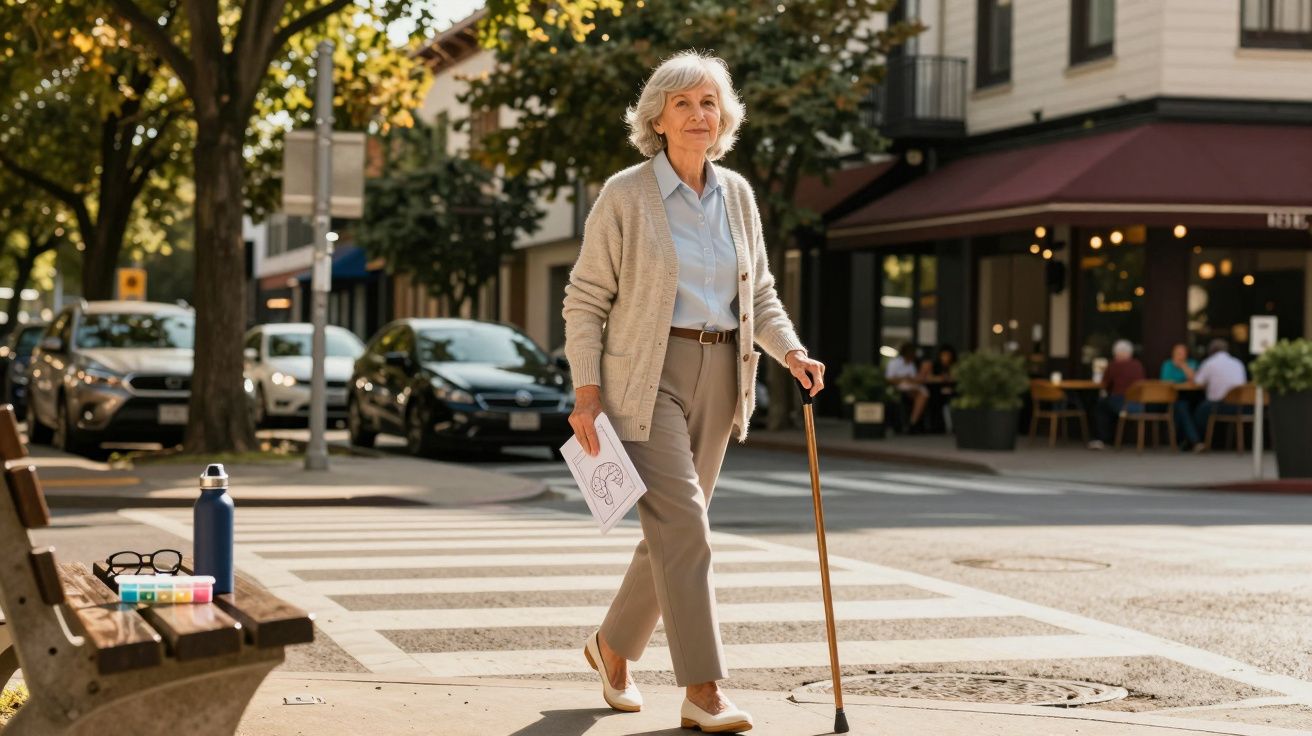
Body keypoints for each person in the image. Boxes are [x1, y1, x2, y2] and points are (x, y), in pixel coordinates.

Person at [561, 51, 825, 733]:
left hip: (722, 376)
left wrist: (790, 350)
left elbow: (758, 291)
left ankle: (611, 648)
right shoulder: (625, 194)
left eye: (710, 102)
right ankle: (703, 689)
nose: (698, 114)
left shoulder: (736, 194)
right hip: (644, 378)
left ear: (724, 117)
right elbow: (586, 298)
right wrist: (586, 393)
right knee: (686, 527)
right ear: (657, 116)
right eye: (683, 102)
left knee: (670, 533)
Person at [1175, 338, 1247, 452]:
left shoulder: (1210, 363)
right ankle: (1193, 442)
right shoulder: (1238, 363)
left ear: (1211, 352)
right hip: (1241, 407)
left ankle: (1194, 441)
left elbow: (1197, 382)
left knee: (1189, 409)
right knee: (1193, 407)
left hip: (1218, 405)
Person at [1088, 339, 1145, 449]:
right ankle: (1116, 438)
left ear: (1116, 353)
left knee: (1101, 405)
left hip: (1122, 403)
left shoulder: (1114, 365)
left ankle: (1103, 439)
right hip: (1140, 404)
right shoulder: (1138, 365)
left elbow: (1105, 384)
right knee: (1107, 405)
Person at [886, 343, 927, 431]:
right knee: (920, 394)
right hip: (897, 387)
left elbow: (913, 378)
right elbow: (889, 379)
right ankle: (912, 422)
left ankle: (913, 422)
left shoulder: (911, 364)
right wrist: (904, 379)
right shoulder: (894, 363)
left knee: (923, 393)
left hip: (910, 387)